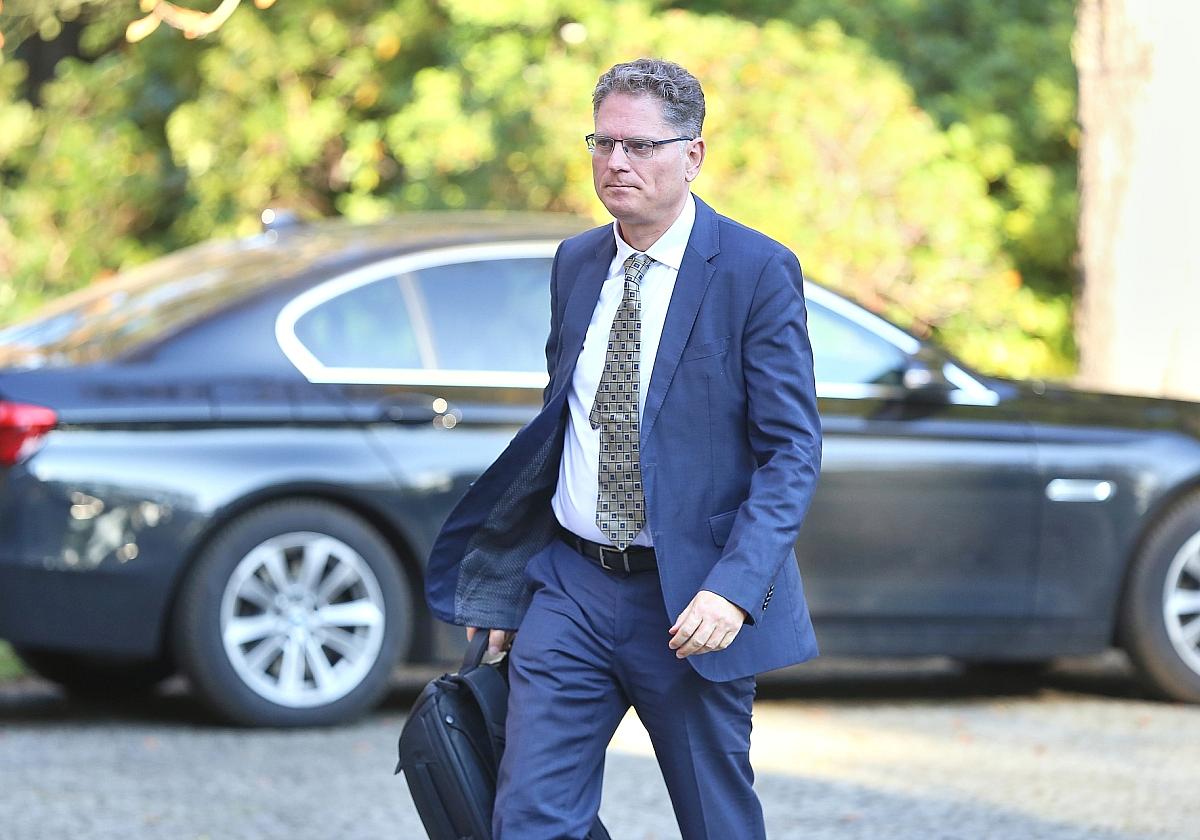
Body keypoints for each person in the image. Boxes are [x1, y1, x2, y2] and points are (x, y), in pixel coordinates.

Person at [424, 57, 823, 839]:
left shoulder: (755, 271)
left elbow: (791, 452)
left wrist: (733, 590)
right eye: (603, 142)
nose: (616, 162)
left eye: (640, 146)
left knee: (716, 822)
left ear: (692, 155)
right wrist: (510, 590)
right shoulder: (576, 263)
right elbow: (561, 432)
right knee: (529, 820)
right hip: (570, 587)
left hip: (690, 601)